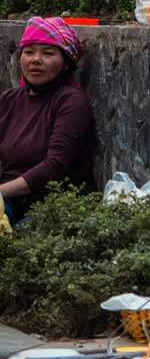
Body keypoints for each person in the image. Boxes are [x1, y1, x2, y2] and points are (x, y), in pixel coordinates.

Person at [0, 16, 96, 224]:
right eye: (29, 52)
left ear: (65, 63)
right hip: (8, 198)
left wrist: (1, 192)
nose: (36, 59)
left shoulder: (70, 102)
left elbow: (55, 165)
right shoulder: (8, 101)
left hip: (48, 204)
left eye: (48, 53)